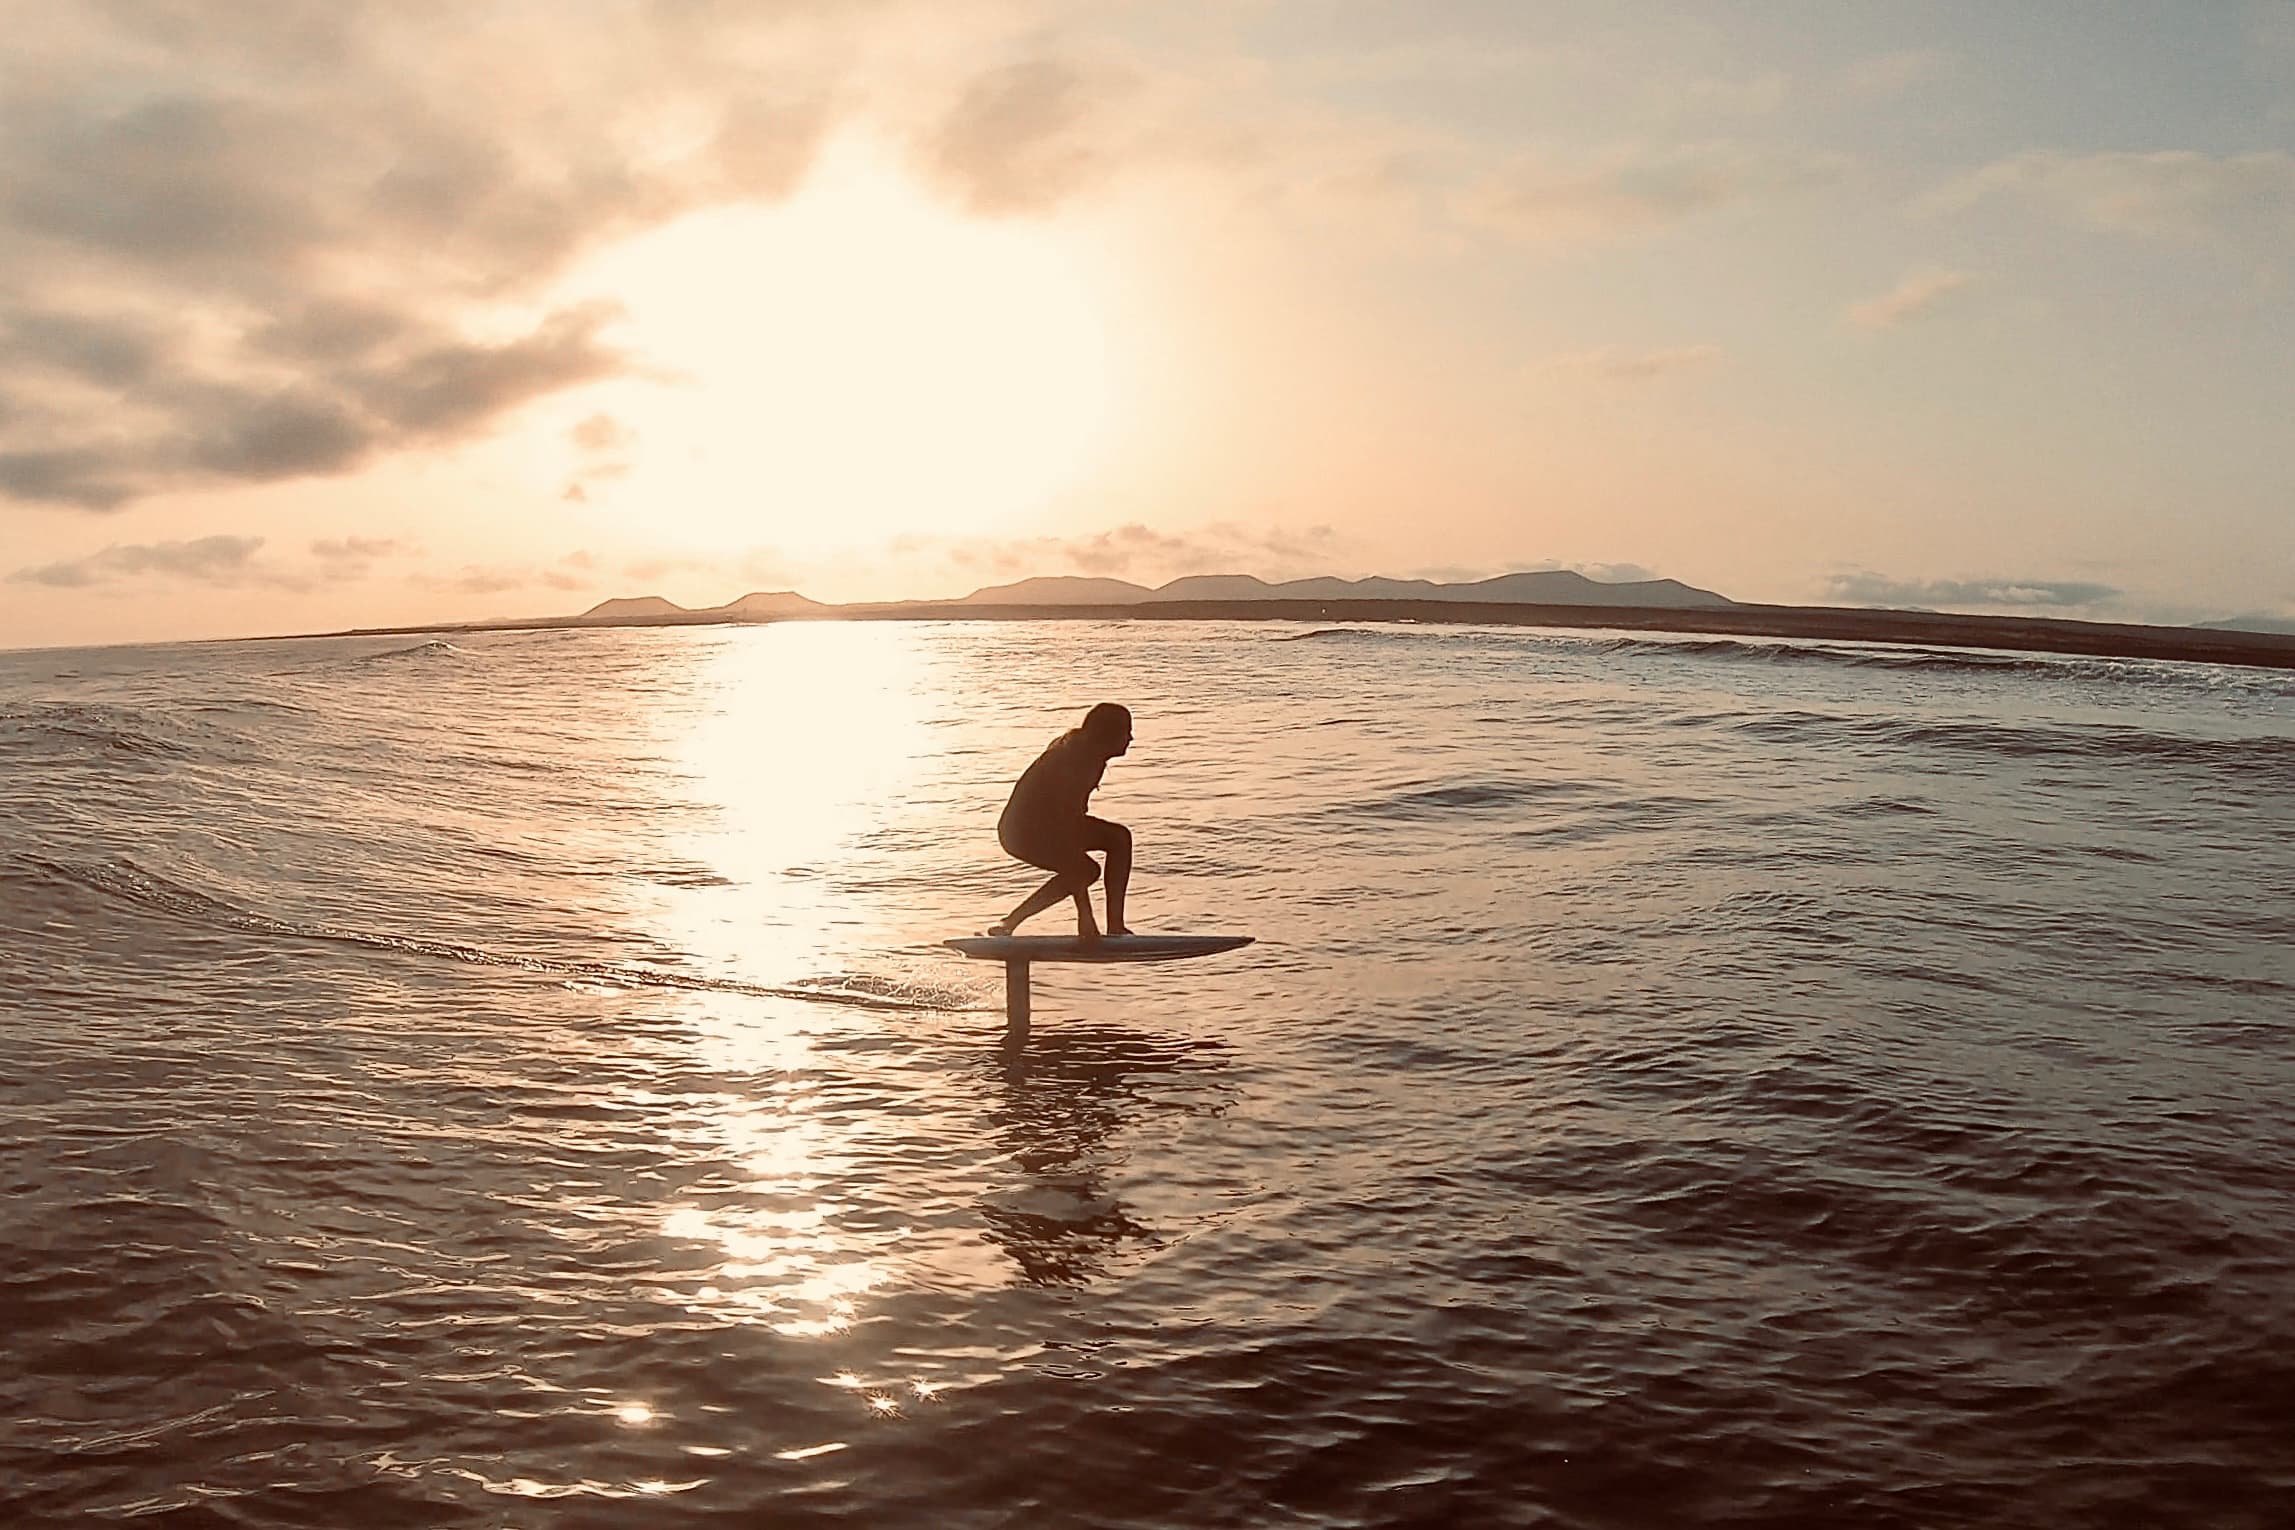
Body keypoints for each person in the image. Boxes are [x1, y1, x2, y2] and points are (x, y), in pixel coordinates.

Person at [987, 702, 1134, 941]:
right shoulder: (1075, 760)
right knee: (1086, 868)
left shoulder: (1091, 756)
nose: (1131, 738)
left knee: (1117, 840)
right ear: (1106, 734)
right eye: (1126, 731)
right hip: (1022, 832)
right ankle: (1010, 922)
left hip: (1051, 826)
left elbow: (1070, 825)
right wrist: (1085, 917)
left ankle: (1115, 925)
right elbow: (1066, 837)